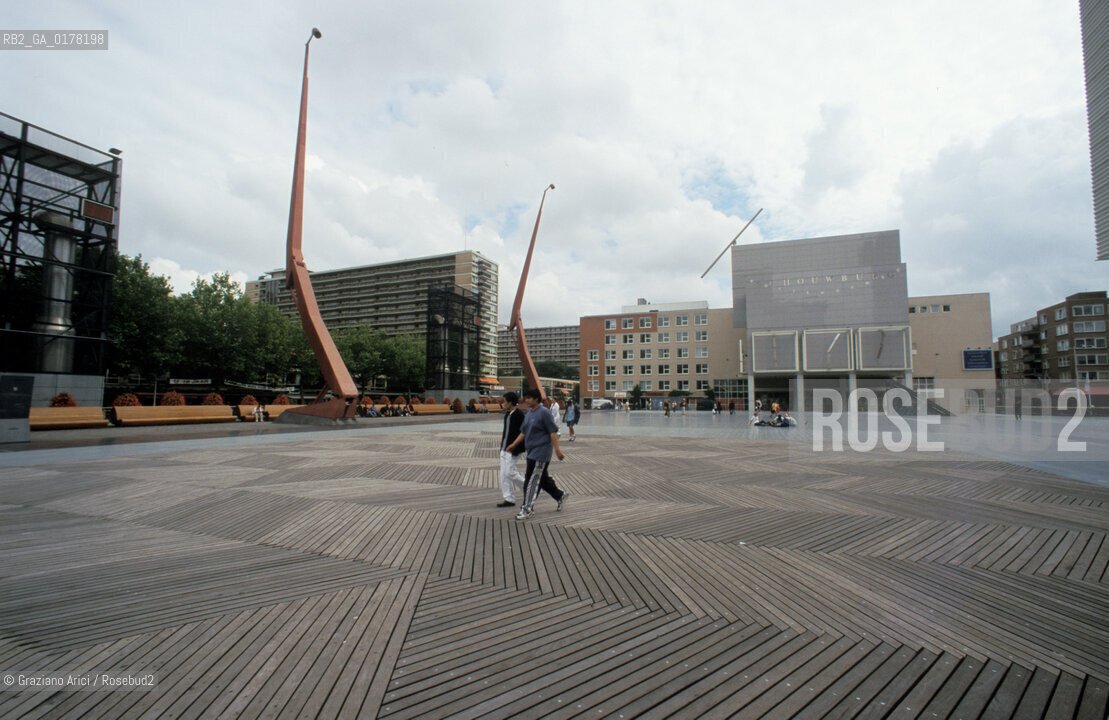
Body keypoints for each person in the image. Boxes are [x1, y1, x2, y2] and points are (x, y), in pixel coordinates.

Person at [505, 389, 567, 520]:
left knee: (531, 480)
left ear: (536, 399)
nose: (526, 401)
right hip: (531, 451)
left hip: (542, 452)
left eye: (529, 398)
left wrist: (557, 450)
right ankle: (560, 495)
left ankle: (527, 508)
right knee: (542, 479)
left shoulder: (544, 413)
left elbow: (552, 432)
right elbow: (523, 432)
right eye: (526, 398)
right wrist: (513, 444)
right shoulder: (529, 413)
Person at [496, 391, 526, 507]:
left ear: (510, 402)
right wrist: (502, 448)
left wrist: (516, 449)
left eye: (504, 401)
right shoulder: (507, 415)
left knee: (510, 472)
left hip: (513, 450)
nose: (503, 403)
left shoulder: (519, 415)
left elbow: (522, 433)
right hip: (504, 449)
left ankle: (528, 488)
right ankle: (509, 498)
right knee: (504, 474)